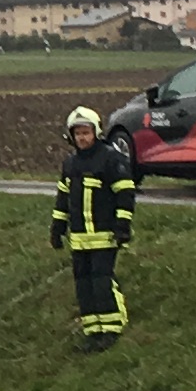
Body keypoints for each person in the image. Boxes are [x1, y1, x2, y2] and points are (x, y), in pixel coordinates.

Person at [52, 102, 137, 348]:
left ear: (96, 132)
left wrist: (122, 225)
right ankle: (93, 332)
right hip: (79, 239)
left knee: (102, 282)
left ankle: (112, 329)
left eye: (86, 132)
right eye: (78, 133)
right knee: (83, 285)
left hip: (105, 236)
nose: (82, 137)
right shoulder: (70, 164)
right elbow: (63, 199)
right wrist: (57, 228)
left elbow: (125, 193)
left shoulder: (110, 159)